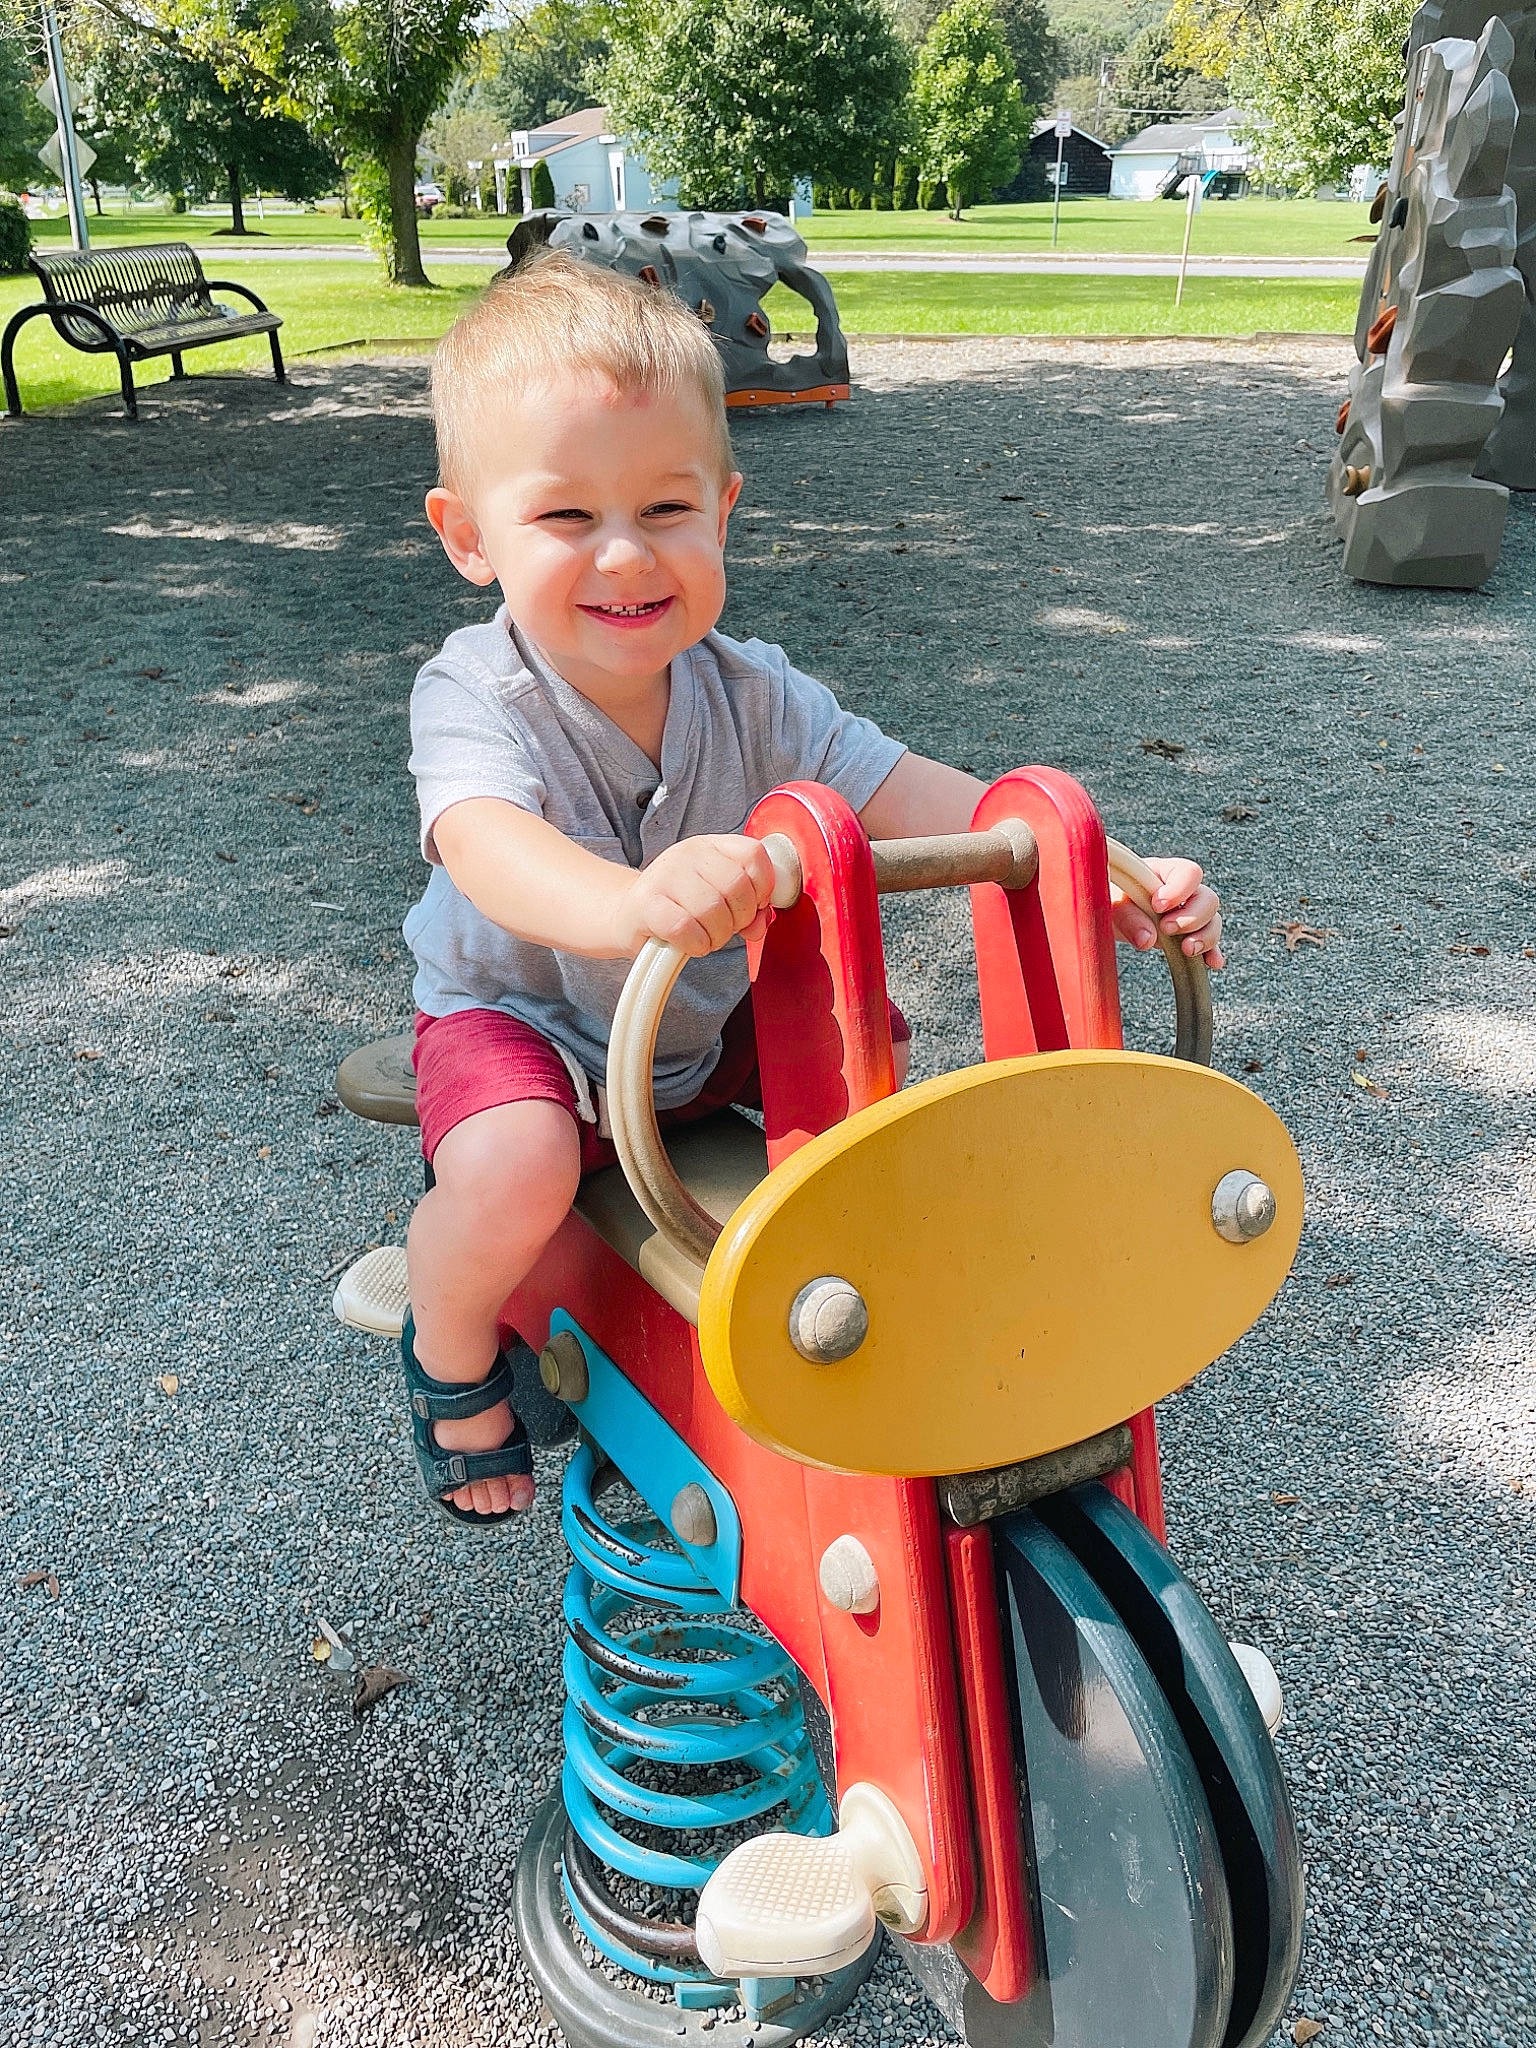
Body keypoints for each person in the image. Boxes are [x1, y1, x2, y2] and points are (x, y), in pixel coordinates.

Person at [402, 252, 1225, 1525]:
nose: (626, 553)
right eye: (566, 518)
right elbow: (482, 839)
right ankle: (448, 1349)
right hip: (534, 1028)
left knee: (868, 1067)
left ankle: (871, 1327)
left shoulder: (755, 691)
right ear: (469, 537)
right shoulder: (478, 691)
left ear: (723, 512)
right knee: (516, 1163)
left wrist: (1102, 873)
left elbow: (908, 788)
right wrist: (626, 900)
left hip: (694, 1024)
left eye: (667, 508)